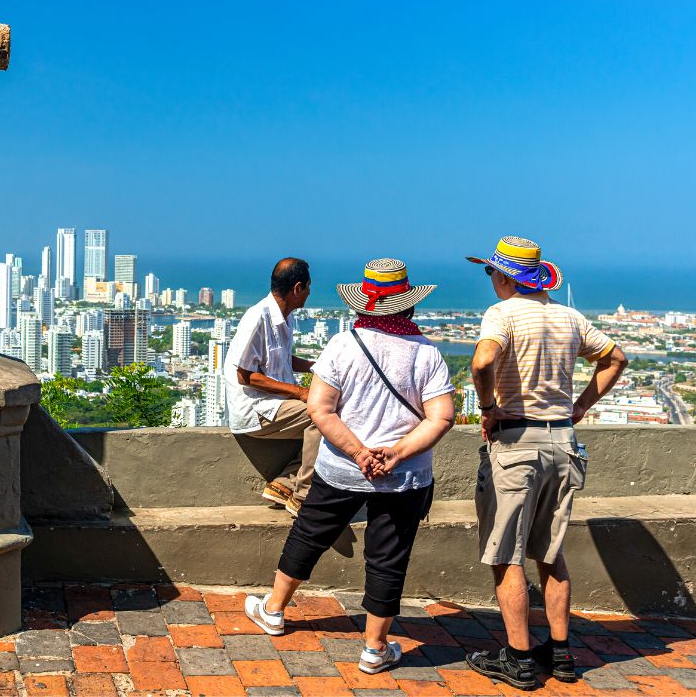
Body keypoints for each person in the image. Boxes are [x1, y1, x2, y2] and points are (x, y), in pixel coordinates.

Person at [244, 259, 455, 676]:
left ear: (364, 305)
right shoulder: (427, 353)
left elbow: (320, 409)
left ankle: (273, 609)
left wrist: (359, 452)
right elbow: (441, 417)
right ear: (408, 305)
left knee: (309, 533)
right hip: (405, 476)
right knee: (388, 557)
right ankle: (375, 648)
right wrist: (394, 454)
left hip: (341, 468)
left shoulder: (343, 345)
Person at [464, 237, 628, 690]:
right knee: (551, 553)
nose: (490, 280)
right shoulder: (569, 317)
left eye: (490, 273)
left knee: (506, 555)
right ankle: (560, 654)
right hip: (564, 442)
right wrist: (579, 407)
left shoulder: (503, 314)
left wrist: (487, 405)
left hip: (517, 442)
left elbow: (482, 361)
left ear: (504, 276)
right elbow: (616, 359)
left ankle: (517, 658)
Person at [224, 258, 319, 516]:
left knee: (329, 411)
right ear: (298, 288)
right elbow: (245, 375)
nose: (310, 292)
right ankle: (303, 495)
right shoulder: (258, 317)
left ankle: (284, 484)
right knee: (322, 416)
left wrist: (316, 366)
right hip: (256, 409)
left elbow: (281, 359)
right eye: (309, 286)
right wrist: (300, 392)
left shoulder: (284, 319)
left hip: (274, 405)